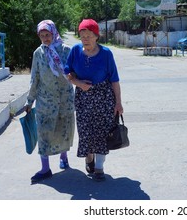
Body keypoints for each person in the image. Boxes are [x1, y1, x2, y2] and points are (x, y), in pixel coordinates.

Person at [64, 18, 123, 181]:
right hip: (83, 98)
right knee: (85, 132)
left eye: (89, 35)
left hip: (104, 97)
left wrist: (118, 102)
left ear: (97, 36)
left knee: (102, 132)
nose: (86, 38)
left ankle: (99, 167)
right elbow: (68, 73)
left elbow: (115, 80)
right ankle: (89, 157)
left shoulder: (106, 54)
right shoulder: (75, 51)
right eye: (82, 35)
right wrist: (78, 83)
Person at [25, 20, 75, 183]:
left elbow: (76, 73)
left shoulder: (67, 50)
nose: (45, 38)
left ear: (54, 33)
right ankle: (45, 168)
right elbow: (35, 78)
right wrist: (29, 100)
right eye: (42, 35)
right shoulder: (38, 53)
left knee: (63, 129)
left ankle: (64, 157)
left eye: (48, 35)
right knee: (44, 133)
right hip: (45, 100)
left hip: (64, 99)